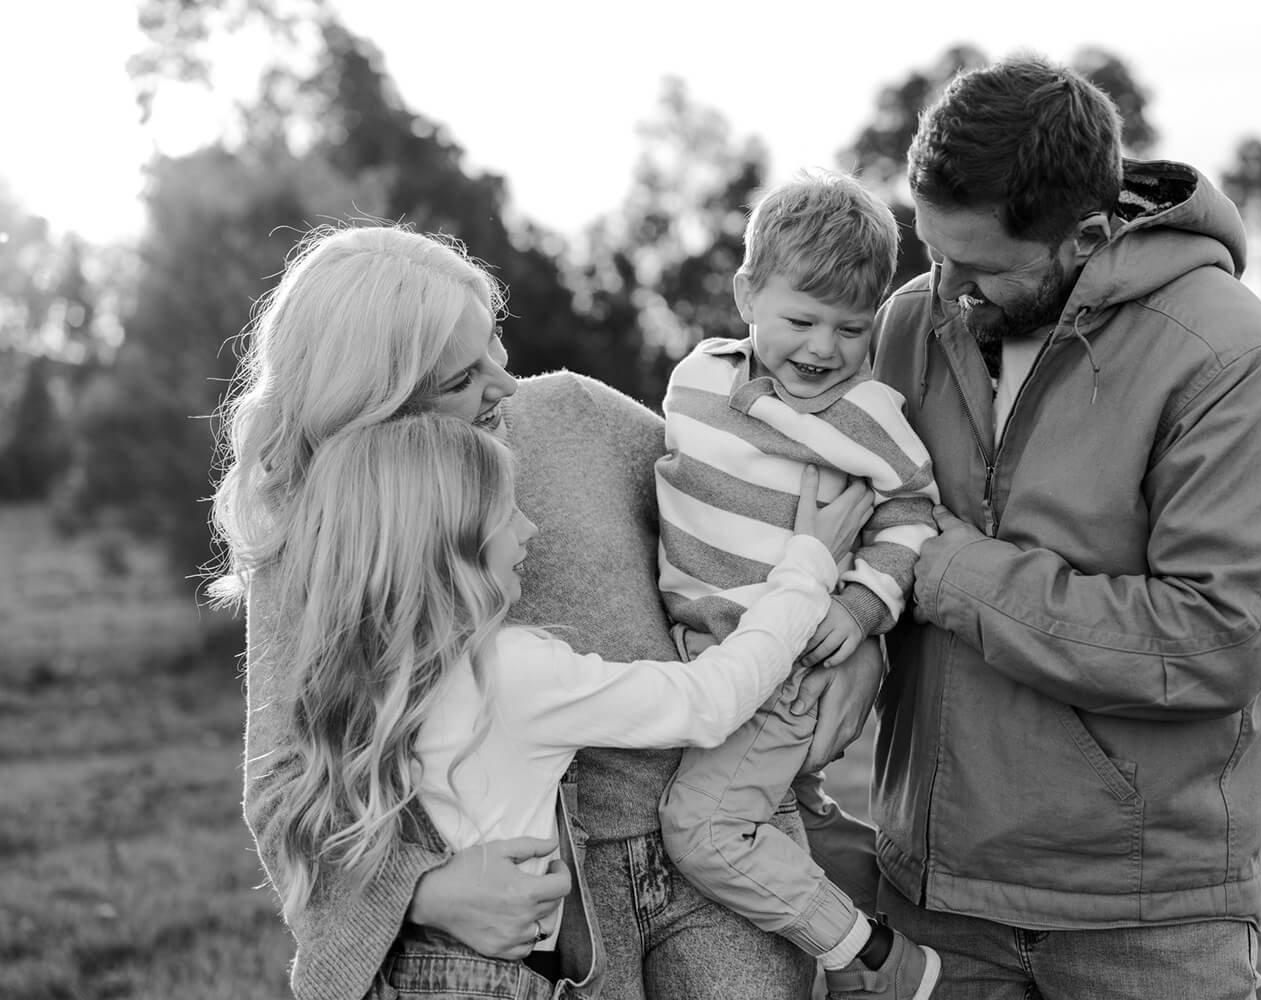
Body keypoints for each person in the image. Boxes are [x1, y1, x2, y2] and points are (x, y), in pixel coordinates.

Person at [214, 224, 878, 1000]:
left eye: (492, 344)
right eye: (461, 377)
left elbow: (772, 517)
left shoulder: (573, 416)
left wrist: (864, 630)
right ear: (378, 403)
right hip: (544, 912)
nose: (503, 383)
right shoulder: (324, 535)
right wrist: (425, 891)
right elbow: (285, 785)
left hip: (715, 841)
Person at [856, 53, 1261, 999]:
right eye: (931, 251)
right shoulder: (911, 322)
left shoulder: (1227, 355)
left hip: (1146, 918)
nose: (944, 290)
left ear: (1085, 235)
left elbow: (1216, 641)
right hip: (933, 895)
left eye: (980, 267)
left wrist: (948, 570)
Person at [654, 170, 941, 1000]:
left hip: (784, 669)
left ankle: (877, 959)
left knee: (703, 831)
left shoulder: (866, 417)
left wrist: (860, 608)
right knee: (774, 821)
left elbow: (915, 515)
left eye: (852, 328)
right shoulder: (697, 378)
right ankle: (861, 914)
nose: (822, 349)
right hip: (703, 653)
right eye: (801, 320)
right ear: (748, 295)